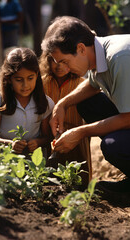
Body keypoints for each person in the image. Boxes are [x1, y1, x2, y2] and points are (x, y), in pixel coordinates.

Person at [41, 15, 130, 195]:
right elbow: (92, 84)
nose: (64, 69)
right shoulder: (99, 54)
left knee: (114, 145)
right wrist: (62, 104)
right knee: (87, 103)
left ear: (81, 48)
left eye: (65, 62)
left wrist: (80, 132)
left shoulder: (120, 57)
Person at [0, 47, 54, 156]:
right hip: (6, 162)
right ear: (8, 78)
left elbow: (47, 137)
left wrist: (37, 142)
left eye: (30, 78)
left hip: (34, 163)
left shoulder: (45, 103)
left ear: (37, 75)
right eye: (19, 80)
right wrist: (9, 144)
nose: (25, 85)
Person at [39, 52, 92, 187]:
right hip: (50, 134)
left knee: (79, 174)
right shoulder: (43, 83)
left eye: (64, 62)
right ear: (48, 60)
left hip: (75, 137)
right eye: (55, 61)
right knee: (50, 173)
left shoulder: (82, 84)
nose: (59, 66)